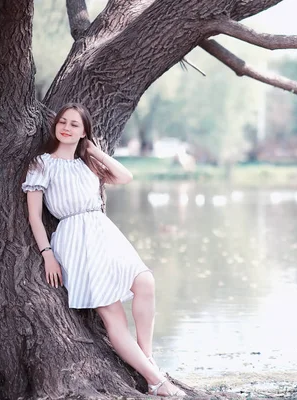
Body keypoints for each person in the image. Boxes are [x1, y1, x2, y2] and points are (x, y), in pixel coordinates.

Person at [22, 103, 184, 398]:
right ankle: (156, 382)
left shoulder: (88, 162)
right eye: (63, 122)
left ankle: (147, 361)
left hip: (104, 232)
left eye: (74, 124)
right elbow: (35, 216)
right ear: (55, 126)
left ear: (84, 132)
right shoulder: (42, 163)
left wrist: (93, 150)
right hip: (74, 239)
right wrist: (47, 254)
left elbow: (124, 176)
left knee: (145, 282)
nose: (66, 128)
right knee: (112, 314)